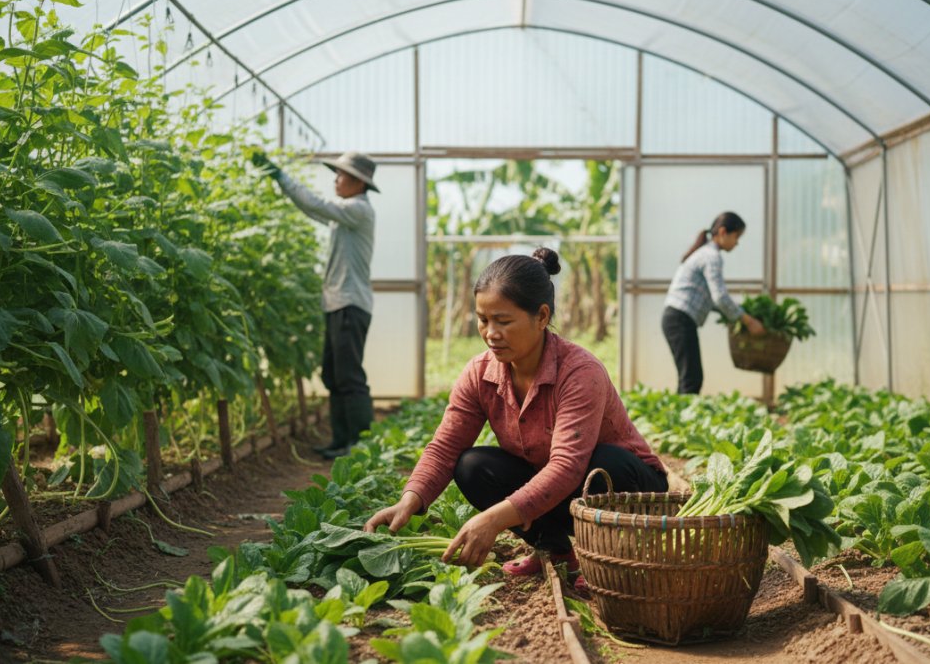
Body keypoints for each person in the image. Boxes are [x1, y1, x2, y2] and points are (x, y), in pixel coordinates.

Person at [364, 248, 668, 583]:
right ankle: (554, 551)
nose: (491, 332)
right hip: (558, 492)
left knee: (605, 461)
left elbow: (568, 467)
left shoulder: (580, 372)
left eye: (504, 321)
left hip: (632, 494)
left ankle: (612, 558)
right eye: (483, 320)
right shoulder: (480, 373)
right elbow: (446, 446)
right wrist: (410, 499)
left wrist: (493, 520)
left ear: (541, 316)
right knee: (472, 465)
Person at [253, 150, 377, 459]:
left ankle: (360, 444)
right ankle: (341, 442)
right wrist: (283, 185)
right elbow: (313, 210)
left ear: (358, 182)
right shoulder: (345, 214)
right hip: (338, 303)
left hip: (350, 303)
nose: (335, 179)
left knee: (349, 376)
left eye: (341, 175)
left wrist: (280, 175)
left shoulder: (359, 209)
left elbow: (317, 205)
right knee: (334, 375)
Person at [662, 211, 766, 395]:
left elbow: (714, 301)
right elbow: (720, 297)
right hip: (679, 319)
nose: (737, 243)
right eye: (736, 237)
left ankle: (679, 416)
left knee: (689, 376)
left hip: (676, 318)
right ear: (723, 232)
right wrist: (748, 321)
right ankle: (681, 419)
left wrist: (736, 315)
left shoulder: (705, 253)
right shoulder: (712, 257)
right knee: (691, 378)